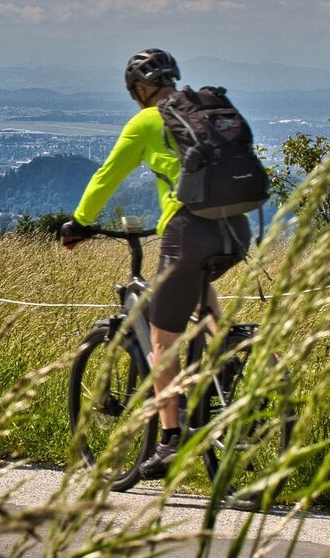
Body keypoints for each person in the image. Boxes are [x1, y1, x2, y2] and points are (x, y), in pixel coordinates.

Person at [60, 49, 250, 480]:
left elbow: (107, 175)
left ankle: (170, 437)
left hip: (187, 233)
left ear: (140, 89)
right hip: (235, 227)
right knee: (201, 297)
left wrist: (80, 223)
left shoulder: (147, 121)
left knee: (164, 340)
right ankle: (227, 359)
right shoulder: (204, 112)